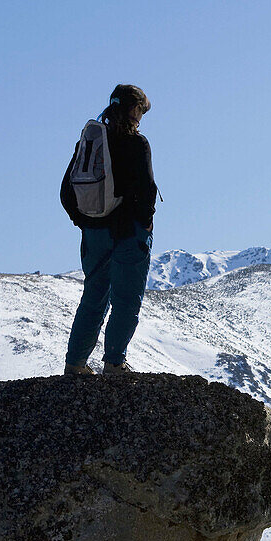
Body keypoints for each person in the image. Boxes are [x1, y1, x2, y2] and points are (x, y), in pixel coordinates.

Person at [60, 84, 157, 375]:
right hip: (129, 232)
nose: (141, 117)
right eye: (141, 110)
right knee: (126, 299)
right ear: (132, 108)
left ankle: (75, 363)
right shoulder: (137, 144)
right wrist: (146, 221)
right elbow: (147, 190)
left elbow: (66, 191)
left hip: (94, 233)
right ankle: (114, 363)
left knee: (93, 296)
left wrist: (85, 221)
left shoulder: (89, 143)